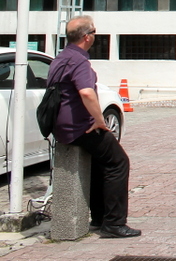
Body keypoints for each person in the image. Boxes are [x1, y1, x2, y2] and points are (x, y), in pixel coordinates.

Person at [49, 15, 140, 238]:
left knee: (102, 164)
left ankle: (100, 218)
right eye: (95, 33)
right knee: (119, 162)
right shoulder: (80, 62)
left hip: (61, 127)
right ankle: (114, 223)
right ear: (87, 37)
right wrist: (99, 121)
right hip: (80, 127)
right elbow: (87, 92)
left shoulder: (60, 58)